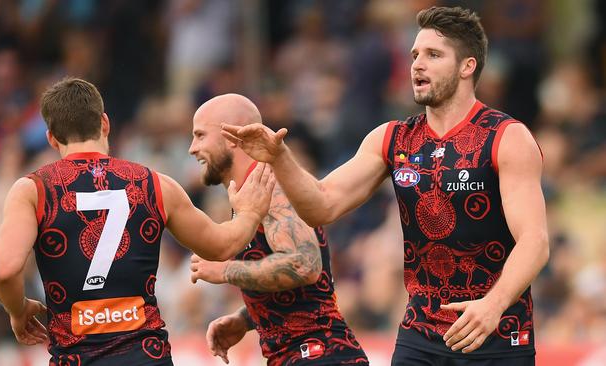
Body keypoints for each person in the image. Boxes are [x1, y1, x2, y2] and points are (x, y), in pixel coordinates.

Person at [222, 6, 549, 366]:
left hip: (497, 333)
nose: (417, 64)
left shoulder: (506, 136)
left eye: (433, 55)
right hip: (420, 336)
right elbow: (322, 205)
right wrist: (280, 156)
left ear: (467, 67)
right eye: (415, 55)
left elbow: (534, 241)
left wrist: (493, 305)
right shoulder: (392, 138)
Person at [0, 78, 275, 365]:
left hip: (78, 358)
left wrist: (19, 309)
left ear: (52, 138)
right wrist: (250, 212)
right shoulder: (154, 184)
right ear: (104, 123)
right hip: (146, 355)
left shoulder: (34, 190)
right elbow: (221, 246)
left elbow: (4, 271)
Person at [188, 94, 369, 365]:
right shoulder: (252, 194)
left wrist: (225, 271)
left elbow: (304, 265)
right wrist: (246, 318)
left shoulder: (272, 186)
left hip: (319, 354)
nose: (192, 148)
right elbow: (300, 291)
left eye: (200, 135)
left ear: (229, 136)